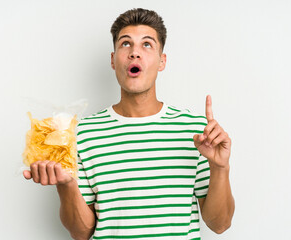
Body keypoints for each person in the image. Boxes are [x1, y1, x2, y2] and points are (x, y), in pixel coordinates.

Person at [23, 8, 235, 240]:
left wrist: (220, 168)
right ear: (113, 60)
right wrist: (66, 185)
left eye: (147, 44)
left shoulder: (197, 132)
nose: (135, 52)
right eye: (125, 44)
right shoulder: (83, 133)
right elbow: (81, 232)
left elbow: (220, 224)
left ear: (162, 61)